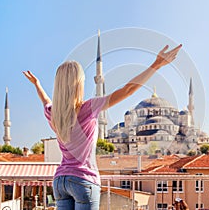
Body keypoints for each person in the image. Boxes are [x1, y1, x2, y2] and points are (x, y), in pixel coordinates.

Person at [23, 44, 182, 210]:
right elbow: (128, 90)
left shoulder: (53, 113)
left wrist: (37, 84)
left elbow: (46, 100)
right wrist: (156, 64)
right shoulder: (88, 107)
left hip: (60, 181)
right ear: (78, 84)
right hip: (83, 180)